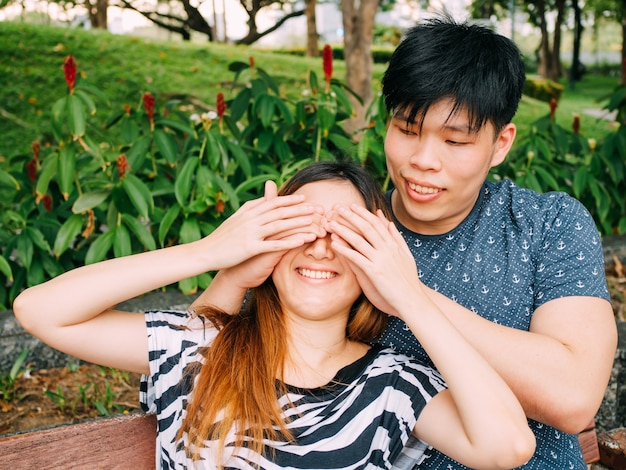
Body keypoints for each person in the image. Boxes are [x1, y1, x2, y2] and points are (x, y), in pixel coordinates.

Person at [194, 16, 618, 470]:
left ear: (501, 143)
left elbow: (573, 399)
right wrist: (228, 266)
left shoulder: (546, 224)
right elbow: (203, 350)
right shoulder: (341, 228)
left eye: (455, 141)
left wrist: (410, 295)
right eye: (408, 130)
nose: (422, 161)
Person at [13, 162, 536, 470]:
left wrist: (408, 295)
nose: (321, 249)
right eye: (300, 227)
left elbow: (508, 446)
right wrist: (210, 253)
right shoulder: (198, 345)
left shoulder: (393, 383)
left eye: (347, 235)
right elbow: (40, 311)